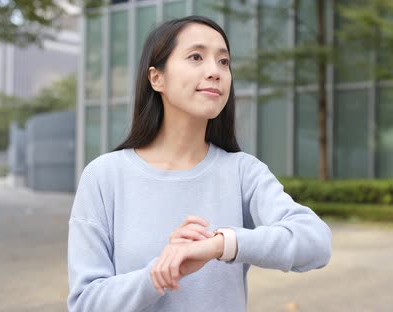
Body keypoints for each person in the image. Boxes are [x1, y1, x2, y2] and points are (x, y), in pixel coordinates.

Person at [67, 15, 332, 312]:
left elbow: (316, 242)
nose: (215, 72)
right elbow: (86, 303)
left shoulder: (242, 172)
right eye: (196, 57)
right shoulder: (105, 176)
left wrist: (221, 244)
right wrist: (159, 275)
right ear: (157, 78)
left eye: (223, 62)